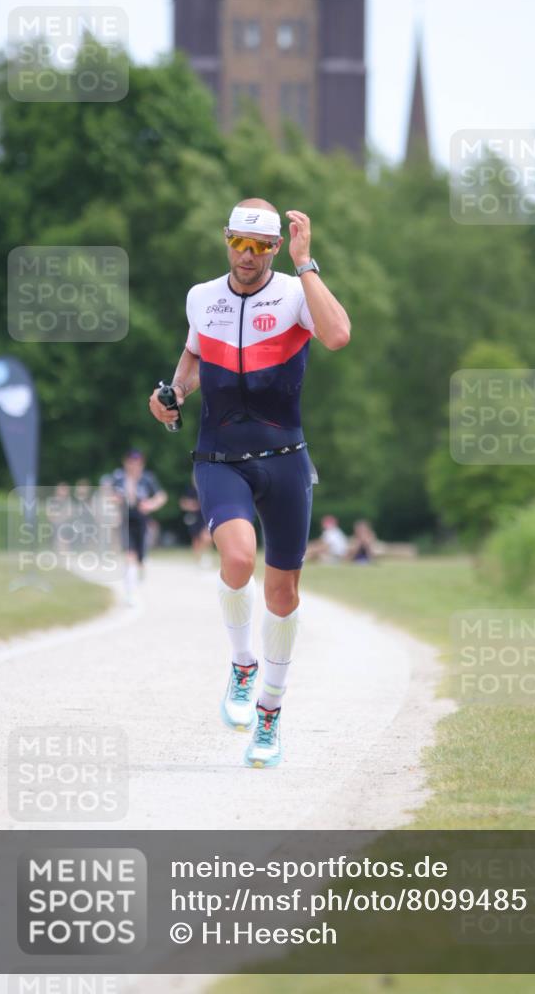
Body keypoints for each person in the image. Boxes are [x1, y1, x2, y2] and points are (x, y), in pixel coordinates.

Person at [149, 199, 350, 768]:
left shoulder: (294, 292)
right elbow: (192, 358)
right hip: (220, 456)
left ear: (275, 248)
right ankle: (242, 664)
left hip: (285, 459)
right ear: (226, 238)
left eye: (260, 246)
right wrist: (173, 393)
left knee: (282, 594)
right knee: (237, 559)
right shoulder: (201, 297)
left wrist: (307, 265)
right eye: (239, 242)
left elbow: (338, 335)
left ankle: (269, 713)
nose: (247, 255)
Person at [111, 450, 167, 605]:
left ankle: (137, 577)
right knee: (130, 555)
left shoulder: (147, 479)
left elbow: (161, 496)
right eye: (131, 462)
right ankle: (130, 593)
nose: (134, 466)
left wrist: (151, 504)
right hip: (125, 520)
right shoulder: (118, 478)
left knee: (141, 559)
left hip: (142, 521)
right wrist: (115, 500)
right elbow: (108, 495)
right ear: (125, 463)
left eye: (137, 463)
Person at [179, 473, 213, 567]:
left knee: (207, 536)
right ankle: (198, 559)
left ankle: (205, 555)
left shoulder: (206, 489)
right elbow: (183, 503)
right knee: (196, 538)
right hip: (194, 517)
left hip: (205, 516)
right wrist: (192, 505)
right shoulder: (190, 490)